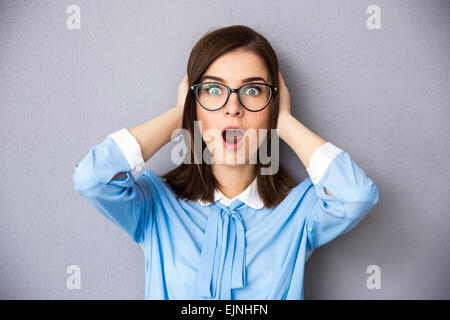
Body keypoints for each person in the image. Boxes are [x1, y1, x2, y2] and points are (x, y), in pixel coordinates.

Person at [72, 25, 379, 300]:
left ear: (273, 102)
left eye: (253, 91)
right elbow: (91, 178)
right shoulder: (155, 204)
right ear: (194, 101)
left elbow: (357, 195)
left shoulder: (300, 211)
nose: (233, 108)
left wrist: (283, 122)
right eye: (214, 89)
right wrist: (180, 117)